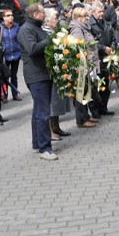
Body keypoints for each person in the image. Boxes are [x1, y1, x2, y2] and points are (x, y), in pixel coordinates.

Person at [18, 3, 58, 161]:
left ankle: (37, 143)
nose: (45, 16)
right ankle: (45, 148)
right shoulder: (26, 29)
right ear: (34, 14)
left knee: (38, 112)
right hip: (36, 76)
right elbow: (32, 49)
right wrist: (50, 40)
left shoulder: (37, 27)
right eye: (42, 13)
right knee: (43, 113)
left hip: (43, 74)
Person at [68, 6, 101, 129]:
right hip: (83, 65)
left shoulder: (83, 27)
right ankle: (81, 119)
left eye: (87, 16)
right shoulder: (77, 29)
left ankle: (85, 116)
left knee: (86, 91)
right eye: (85, 16)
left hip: (88, 64)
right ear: (78, 17)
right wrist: (85, 64)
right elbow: (79, 48)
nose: (87, 18)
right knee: (81, 91)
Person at [43, 7, 72, 140]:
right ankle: (50, 130)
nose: (57, 20)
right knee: (51, 102)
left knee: (58, 101)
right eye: (55, 18)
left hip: (60, 69)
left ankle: (56, 126)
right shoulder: (45, 32)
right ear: (47, 20)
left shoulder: (57, 31)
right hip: (50, 71)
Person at [88, 2, 115, 118]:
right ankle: (95, 109)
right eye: (99, 12)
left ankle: (104, 106)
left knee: (106, 84)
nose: (102, 14)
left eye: (102, 11)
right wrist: (103, 48)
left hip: (107, 58)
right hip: (96, 58)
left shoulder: (107, 24)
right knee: (96, 85)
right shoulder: (90, 25)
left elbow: (113, 37)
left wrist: (113, 47)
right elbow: (90, 42)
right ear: (93, 12)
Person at [0, 8, 22, 103]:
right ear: (3, 17)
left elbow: (20, 39)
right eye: (8, 15)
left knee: (14, 75)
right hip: (4, 56)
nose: (10, 17)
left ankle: (15, 94)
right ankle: (4, 95)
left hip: (16, 54)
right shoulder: (0, 27)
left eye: (11, 15)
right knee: (5, 76)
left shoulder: (16, 27)